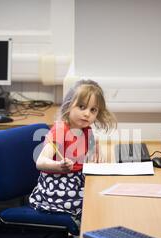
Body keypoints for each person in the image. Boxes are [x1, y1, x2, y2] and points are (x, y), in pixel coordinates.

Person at [29, 80, 116, 225]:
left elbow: (90, 153)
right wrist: (58, 165)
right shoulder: (60, 130)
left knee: (104, 193)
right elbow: (40, 162)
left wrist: (96, 151)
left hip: (76, 180)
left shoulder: (87, 130)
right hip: (57, 184)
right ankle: (84, 232)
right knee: (95, 201)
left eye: (93, 110)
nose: (87, 114)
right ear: (69, 105)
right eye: (82, 107)